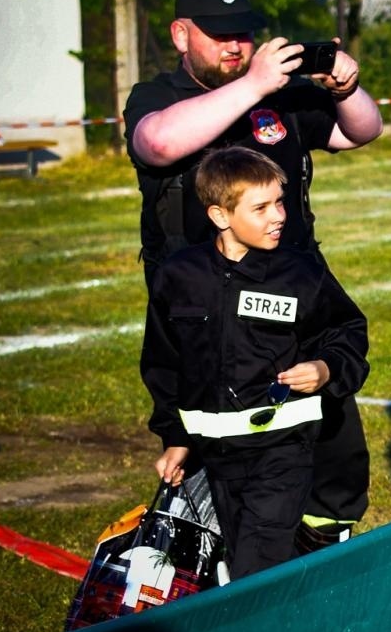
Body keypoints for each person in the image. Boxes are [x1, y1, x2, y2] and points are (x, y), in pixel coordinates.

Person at [124, 0, 381, 555]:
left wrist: (346, 89)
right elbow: (157, 144)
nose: (235, 46)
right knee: (225, 451)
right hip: (206, 304)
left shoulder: (278, 94)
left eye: (242, 34)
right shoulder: (158, 96)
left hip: (294, 287)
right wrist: (254, 85)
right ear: (181, 35)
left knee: (331, 436)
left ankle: (317, 550)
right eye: (219, 35)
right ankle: (227, 561)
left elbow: (361, 131)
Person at [143, 148, 369, 578]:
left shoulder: (300, 274)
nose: (279, 216)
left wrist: (325, 369)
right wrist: (176, 438)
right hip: (218, 458)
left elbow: (347, 331)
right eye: (261, 208)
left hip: (283, 450)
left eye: (280, 202)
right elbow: (163, 362)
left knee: (256, 568)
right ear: (220, 215)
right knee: (244, 556)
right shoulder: (179, 276)